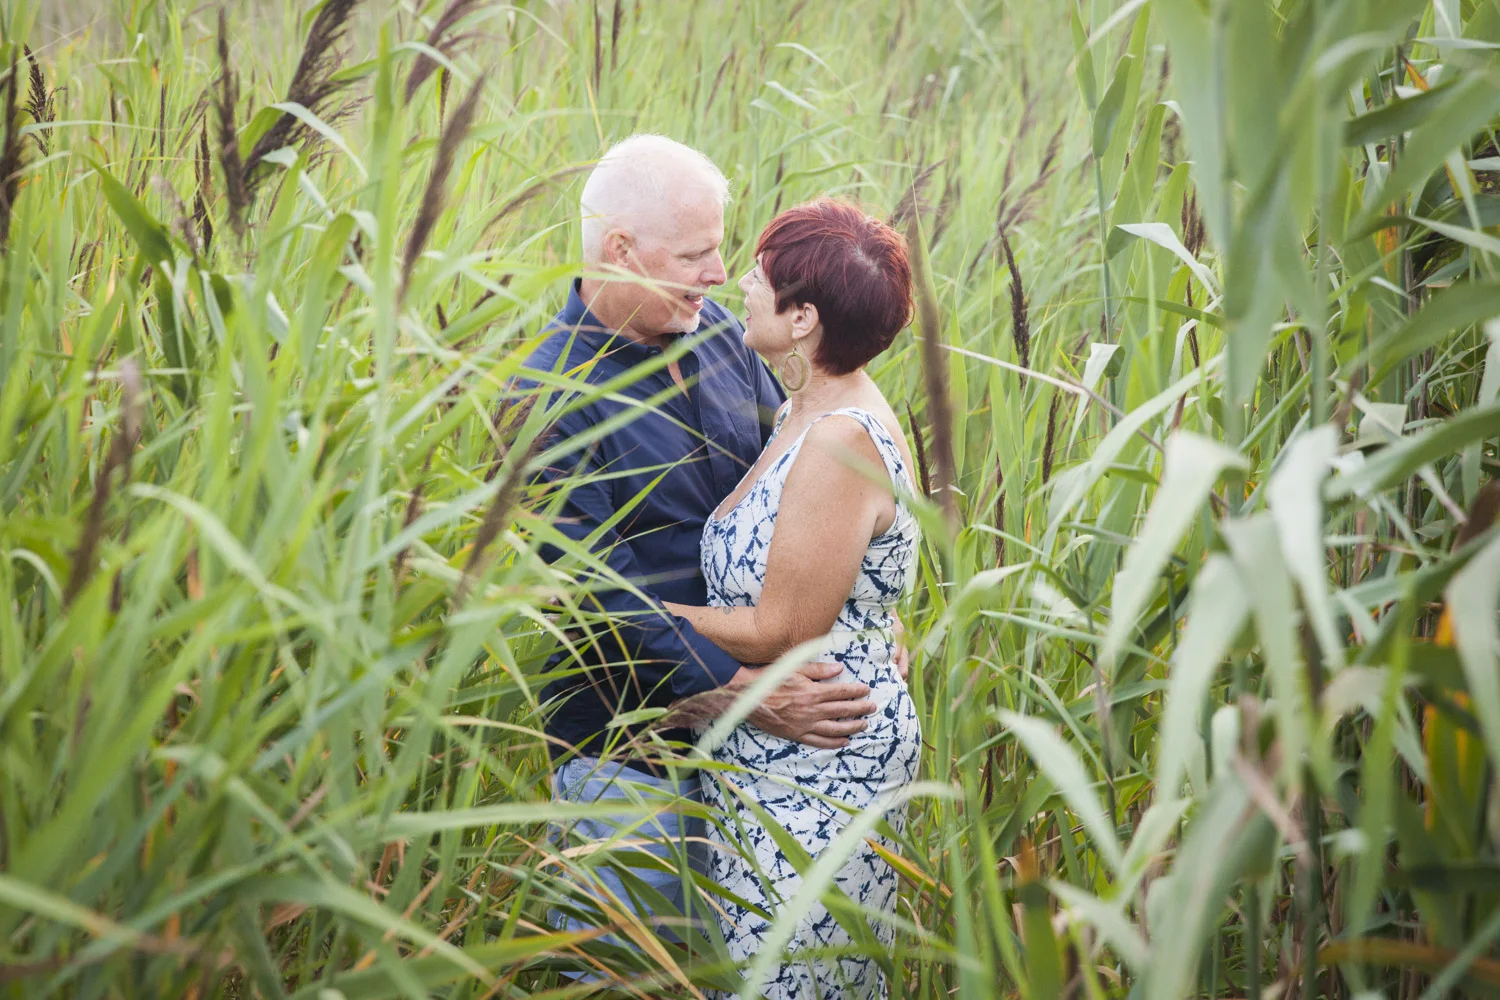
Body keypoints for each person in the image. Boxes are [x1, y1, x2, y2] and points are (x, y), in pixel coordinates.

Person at [520, 135, 879, 971]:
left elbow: (793, 487)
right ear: (620, 250)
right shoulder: (547, 393)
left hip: (761, 755)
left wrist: (858, 608)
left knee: (746, 972)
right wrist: (737, 692)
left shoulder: (719, 337)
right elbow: (583, 592)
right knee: (631, 979)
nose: (720, 272)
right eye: (696, 253)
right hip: (627, 754)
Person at [661, 198, 922, 999]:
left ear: (803, 317)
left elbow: (783, 626)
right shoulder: (802, 408)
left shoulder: (841, 439)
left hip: (819, 760)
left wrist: (637, 619)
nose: (740, 281)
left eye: (761, 277)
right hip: (772, 756)